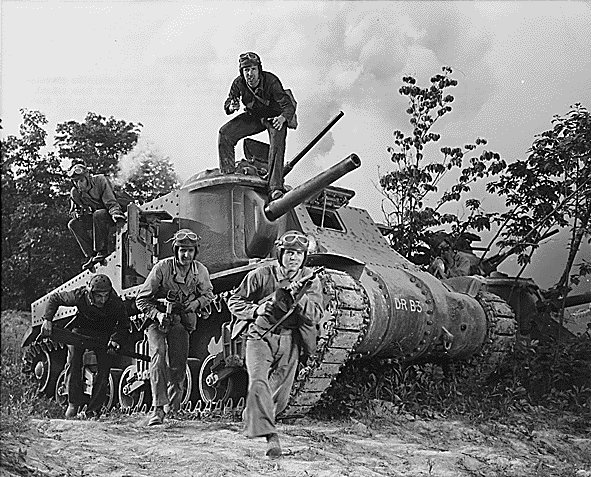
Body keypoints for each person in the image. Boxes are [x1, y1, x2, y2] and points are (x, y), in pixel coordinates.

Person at [226, 230, 323, 458]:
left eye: (299, 254)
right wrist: (255, 309)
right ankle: (272, 438)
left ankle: (256, 417)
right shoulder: (262, 275)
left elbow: (316, 314)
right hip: (260, 336)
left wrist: (301, 297)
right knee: (259, 381)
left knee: (281, 394)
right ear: (281, 254)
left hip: (290, 339)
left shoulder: (311, 279)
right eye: (289, 253)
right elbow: (234, 300)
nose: (294, 258)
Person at [135, 229, 214, 426]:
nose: (185, 255)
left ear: (195, 252)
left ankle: (173, 407)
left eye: (189, 251)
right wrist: (158, 314)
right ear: (175, 251)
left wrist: (195, 304)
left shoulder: (200, 271)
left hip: (180, 320)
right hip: (157, 320)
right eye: (181, 250)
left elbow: (208, 294)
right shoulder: (162, 268)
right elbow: (141, 299)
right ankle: (158, 409)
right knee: (158, 356)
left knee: (178, 364)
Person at [40, 274, 130, 418]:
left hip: (103, 335)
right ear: (90, 293)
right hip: (80, 331)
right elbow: (55, 298)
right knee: (73, 361)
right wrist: (47, 319)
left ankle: (93, 410)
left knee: (105, 367)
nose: (103, 300)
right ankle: (73, 403)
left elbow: (124, 325)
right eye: (99, 296)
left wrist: (115, 339)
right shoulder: (79, 295)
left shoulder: (115, 302)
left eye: (106, 295)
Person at [218, 52, 296, 202]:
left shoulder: (271, 81)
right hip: (254, 117)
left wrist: (282, 118)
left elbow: (288, 105)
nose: (250, 74)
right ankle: (228, 175)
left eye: (253, 69)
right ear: (242, 72)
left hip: (274, 116)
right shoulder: (238, 83)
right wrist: (231, 107)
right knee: (225, 133)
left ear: (259, 70)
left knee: (277, 141)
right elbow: (229, 102)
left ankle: (275, 188)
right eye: (246, 70)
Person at [67, 161, 127, 270]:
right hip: (96, 219)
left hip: (112, 212)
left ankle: (101, 251)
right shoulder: (75, 193)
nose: (79, 185)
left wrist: (116, 214)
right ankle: (90, 255)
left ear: (87, 178)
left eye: (81, 180)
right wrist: (76, 213)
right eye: (75, 182)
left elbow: (110, 201)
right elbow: (74, 209)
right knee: (73, 224)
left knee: (98, 214)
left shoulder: (100, 180)